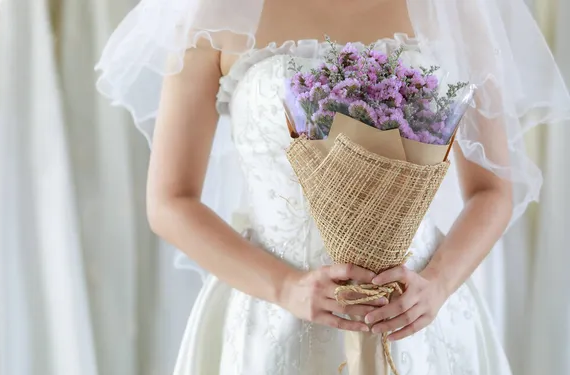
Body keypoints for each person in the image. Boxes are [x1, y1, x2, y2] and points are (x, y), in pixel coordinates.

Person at [96, 0, 570, 373]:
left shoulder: (451, 9)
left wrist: (437, 285)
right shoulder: (214, 11)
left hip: (415, 311)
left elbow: (492, 191)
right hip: (274, 317)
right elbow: (170, 201)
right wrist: (286, 288)